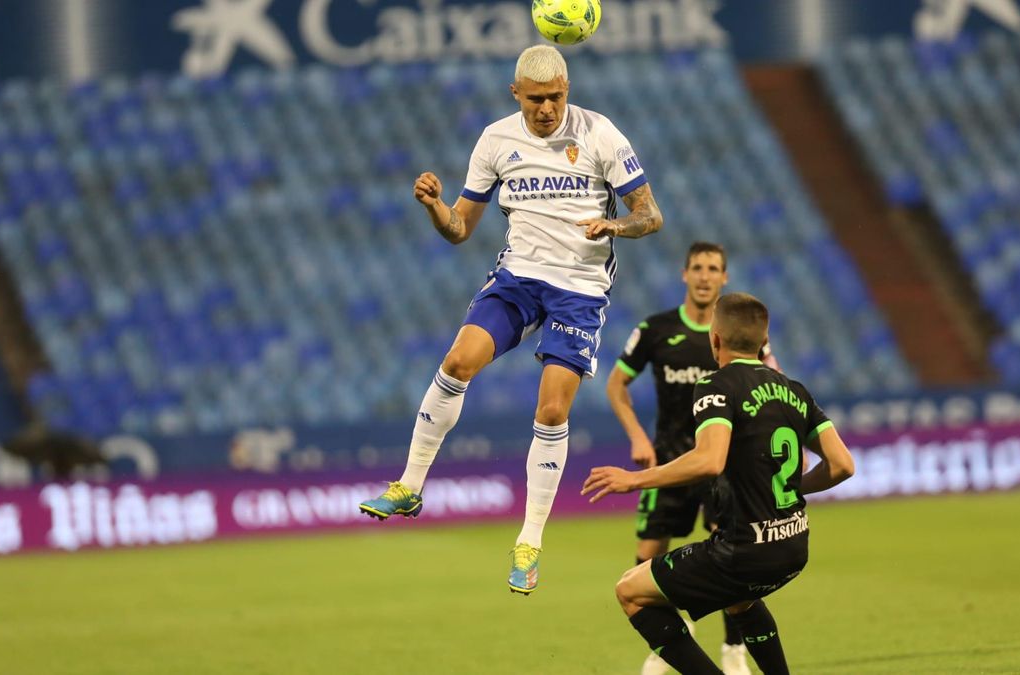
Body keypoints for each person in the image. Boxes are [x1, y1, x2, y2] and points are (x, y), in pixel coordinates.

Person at [358, 44, 663, 595]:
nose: (547, 109)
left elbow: (650, 215)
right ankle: (408, 486)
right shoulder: (496, 139)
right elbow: (460, 228)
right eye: (536, 99)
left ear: (567, 89)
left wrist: (613, 227)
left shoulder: (600, 134)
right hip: (518, 279)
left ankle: (529, 541)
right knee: (457, 360)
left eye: (555, 97)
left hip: (579, 290)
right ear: (514, 94)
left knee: (550, 408)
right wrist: (433, 205)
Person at [583, 292, 855, 674]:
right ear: (763, 342)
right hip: (794, 546)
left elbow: (709, 460)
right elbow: (843, 465)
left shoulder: (715, 386)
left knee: (630, 592)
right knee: (740, 600)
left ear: (715, 339)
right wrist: (795, 488)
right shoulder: (794, 390)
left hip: (744, 552)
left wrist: (635, 480)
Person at [607, 243, 776, 675]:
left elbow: (770, 379)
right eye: (697, 268)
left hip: (724, 466)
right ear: (684, 275)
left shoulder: (734, 335)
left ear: (725, 278)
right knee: (646, 554)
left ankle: (733, 650)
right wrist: (638, 437)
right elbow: (616, 385)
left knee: (730, 553)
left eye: (713, 268)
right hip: (669, 462)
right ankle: (670, 635)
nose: (704, 276)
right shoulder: (657, 329)